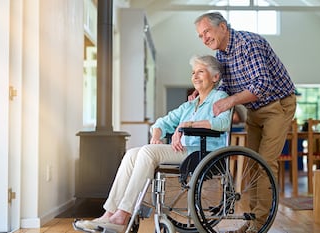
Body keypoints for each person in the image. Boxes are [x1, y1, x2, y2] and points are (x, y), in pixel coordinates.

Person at [74, 54, 231, 232]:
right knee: (132, 153)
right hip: (186, 151)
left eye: (201, 71)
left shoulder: (220, 97)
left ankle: (122, 215)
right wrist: (156, 135)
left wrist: (187, 125)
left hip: (203, 152)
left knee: (148, 152)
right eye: (193, 72)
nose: (195, 76)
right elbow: (161, 123)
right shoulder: (190, 105)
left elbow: (223, 123)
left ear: (215, 77)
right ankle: (109, 214)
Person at [194, 12, 297, 232]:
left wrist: (229, 101)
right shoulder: (220, 56)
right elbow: (223, 88)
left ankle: (259, 225)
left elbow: (261, 85)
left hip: (278, 105)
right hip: (255, 110)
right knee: (251, 164)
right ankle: (251, 221)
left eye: (207, 32)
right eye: (200, 35)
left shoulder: (249, 43)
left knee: (265, 164)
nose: (204, 38)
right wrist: (202, 94)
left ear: (222, 27)